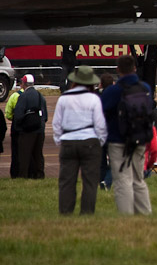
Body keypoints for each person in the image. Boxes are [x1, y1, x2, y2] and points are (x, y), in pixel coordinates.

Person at [100, 54, 153, 215]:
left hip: (118, 140)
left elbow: (102, 112)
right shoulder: (145, 88)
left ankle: (126, 218)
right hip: (140, 138)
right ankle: (145, 213)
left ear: (118, 69)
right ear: (134, 68)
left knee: (122, 180)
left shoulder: (113, 91)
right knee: (138, 179)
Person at [53, 66, 108, 215]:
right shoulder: (94, 98)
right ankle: (87, 213)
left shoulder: (64, 98)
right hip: (90, 141)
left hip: (68, 141)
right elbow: (100, 125)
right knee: (90, 181)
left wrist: (60, 140)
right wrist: (100, 142)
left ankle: (65, 212)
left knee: (66, 181)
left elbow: (57, 124)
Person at [14, 72, 47, 179]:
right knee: (38, 155)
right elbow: (45, 116)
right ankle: (40, 175)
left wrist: (19, 128)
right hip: (40, 130)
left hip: (27, 131)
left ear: (24, 84)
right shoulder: (40, 96)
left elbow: (18, 115)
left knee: (24, 155)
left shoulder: (23, 96)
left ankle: (23, 176)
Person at [5, 74, 30, 178]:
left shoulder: (15, 96)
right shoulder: (34, 95)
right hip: (29, 128)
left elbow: (8, 113)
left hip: (16, 127)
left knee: (15, 152)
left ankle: (15, 174)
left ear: (21, 84)